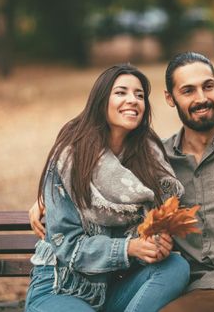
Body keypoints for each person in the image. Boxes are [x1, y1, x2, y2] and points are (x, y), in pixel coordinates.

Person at [30, 52, 214, 312]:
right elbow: (93, 175)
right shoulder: (155, 161)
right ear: (170, 98)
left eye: (208, 87)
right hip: (202, 287)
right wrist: (44, 201)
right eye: (188, 90)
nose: (201, 98)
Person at [25, 64, 189, 312]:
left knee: (176, 267)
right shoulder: (71, 157)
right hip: (60, 287)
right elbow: (67, 244)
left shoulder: (150, 158)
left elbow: (157, 221)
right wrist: (129, 248)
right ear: (101, 101)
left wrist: (157, 243)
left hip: (114, 291)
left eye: (140, 95)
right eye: (121, 92)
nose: (132, 100)